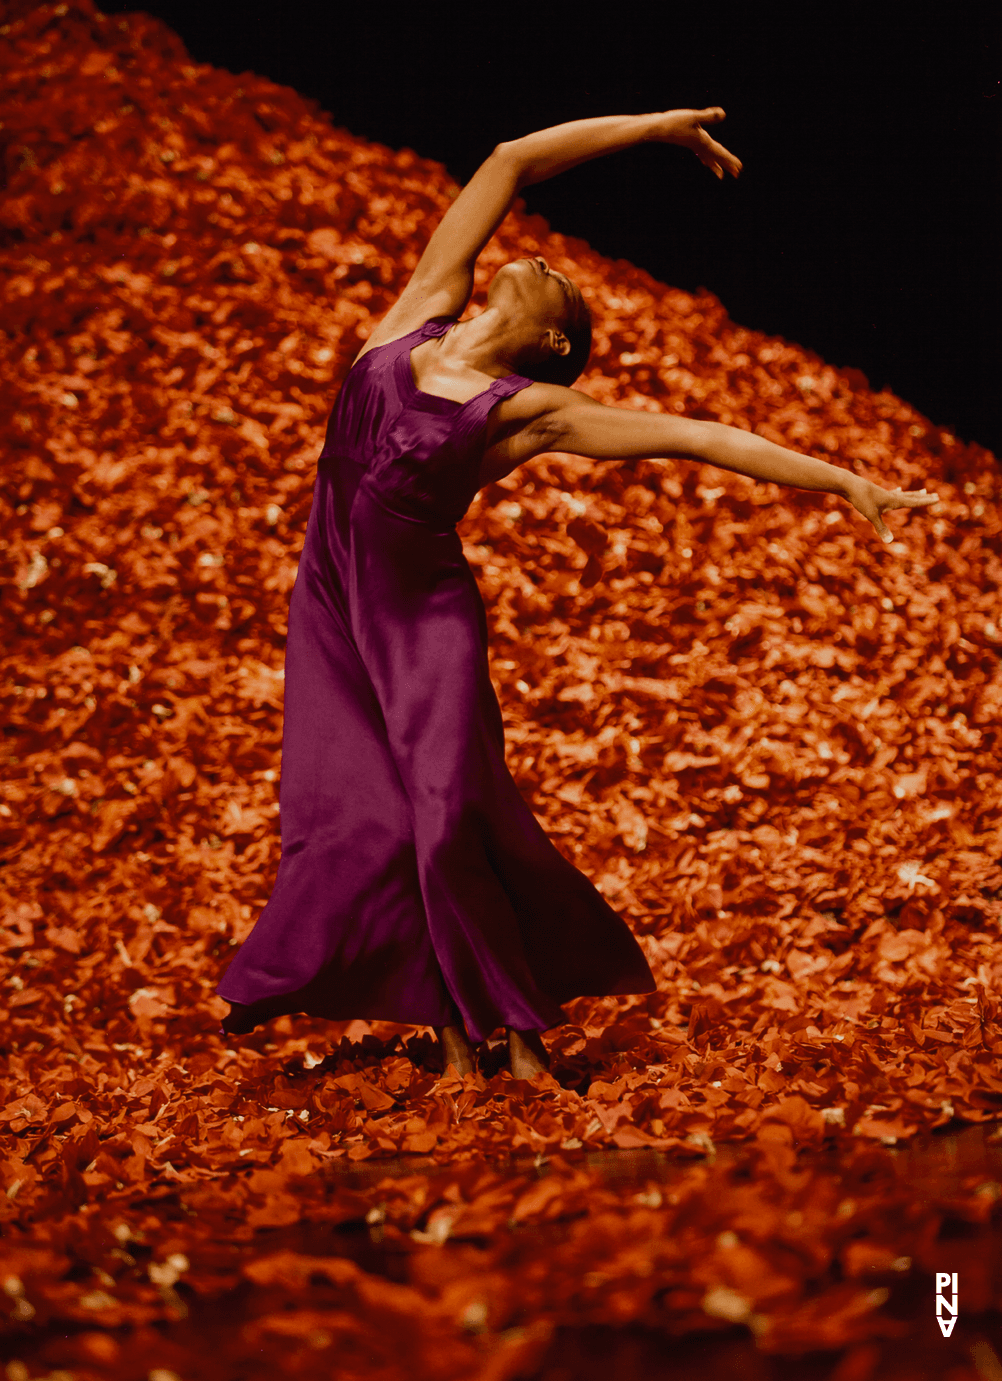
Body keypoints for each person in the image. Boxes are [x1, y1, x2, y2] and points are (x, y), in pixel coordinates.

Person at [217, 108, 937, 1080]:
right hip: (333, 607)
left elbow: (698, 437)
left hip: (425, 624)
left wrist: (843, 480)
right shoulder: (412, 317)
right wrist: (654, 130)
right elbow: (511, 161)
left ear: (553, 343)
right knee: (364, 822)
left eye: (560, 283)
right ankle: (451, 1038)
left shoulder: (531, 413)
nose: (542, 264)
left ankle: (512, 1041)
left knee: (444, 816)